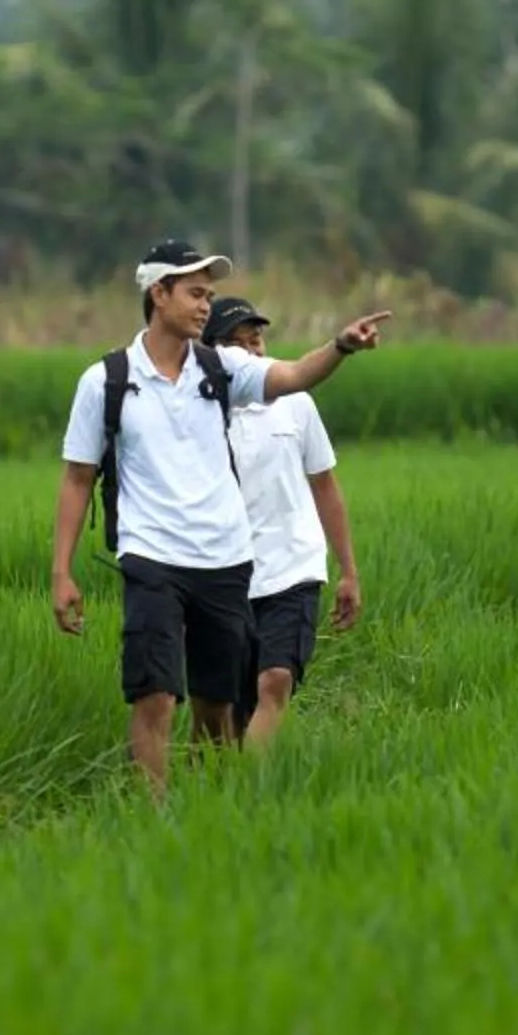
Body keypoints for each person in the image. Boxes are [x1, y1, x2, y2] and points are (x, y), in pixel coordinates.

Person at [50, 238, 389, 797]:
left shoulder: (221, 368)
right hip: (150, 556)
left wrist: (340, 347)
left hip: (225, 561)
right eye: (195, 293)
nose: (205, 305)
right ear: (159, 294)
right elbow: (78, 478)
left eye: (209, 295)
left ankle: (212, 801)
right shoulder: (106, 381)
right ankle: (152, 817)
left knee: (216, 705)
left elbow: (293, 376)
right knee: (154, 694)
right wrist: (61, 571)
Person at [202, 294, 361, 750]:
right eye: (235, 344)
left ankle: (246, 784)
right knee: (228, 705)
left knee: (275, 680)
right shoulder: (200, 412)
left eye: (255, 340)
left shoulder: (295, 403)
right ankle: (223, 781)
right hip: (225, 573)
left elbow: (324, 485)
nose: (250, 352)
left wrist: (348, 570)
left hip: (293, 567)